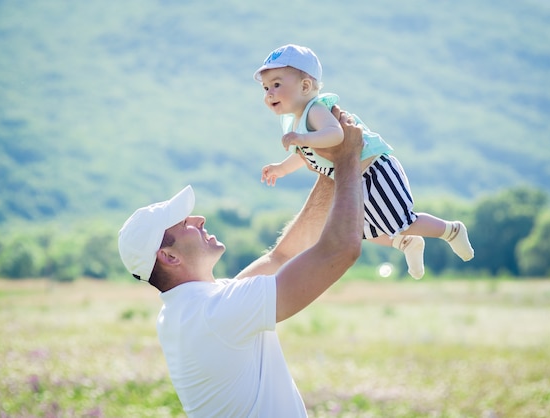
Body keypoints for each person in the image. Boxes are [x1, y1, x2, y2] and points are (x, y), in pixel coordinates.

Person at [118, 108, 364, 417]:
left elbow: (281, 256)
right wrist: (348, 160)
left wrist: (329, 174)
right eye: (183, 223)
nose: (199, 218)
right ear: (169, 256)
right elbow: (341, 250)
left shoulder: (191, 309)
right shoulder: (216, 312)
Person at [254, 43, 474, 279]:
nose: (269, 93)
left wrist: (303, 137)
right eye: (266, 88)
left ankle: (451, 230)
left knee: (402, 220)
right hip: (354, 180)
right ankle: (407, 244)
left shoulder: (315, 110)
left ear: (306, 85)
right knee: (360, 230)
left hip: (374, 171)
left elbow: (336, 134)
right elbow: (302, 154)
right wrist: (282, 168)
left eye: (277, 85)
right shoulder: (294, 121)